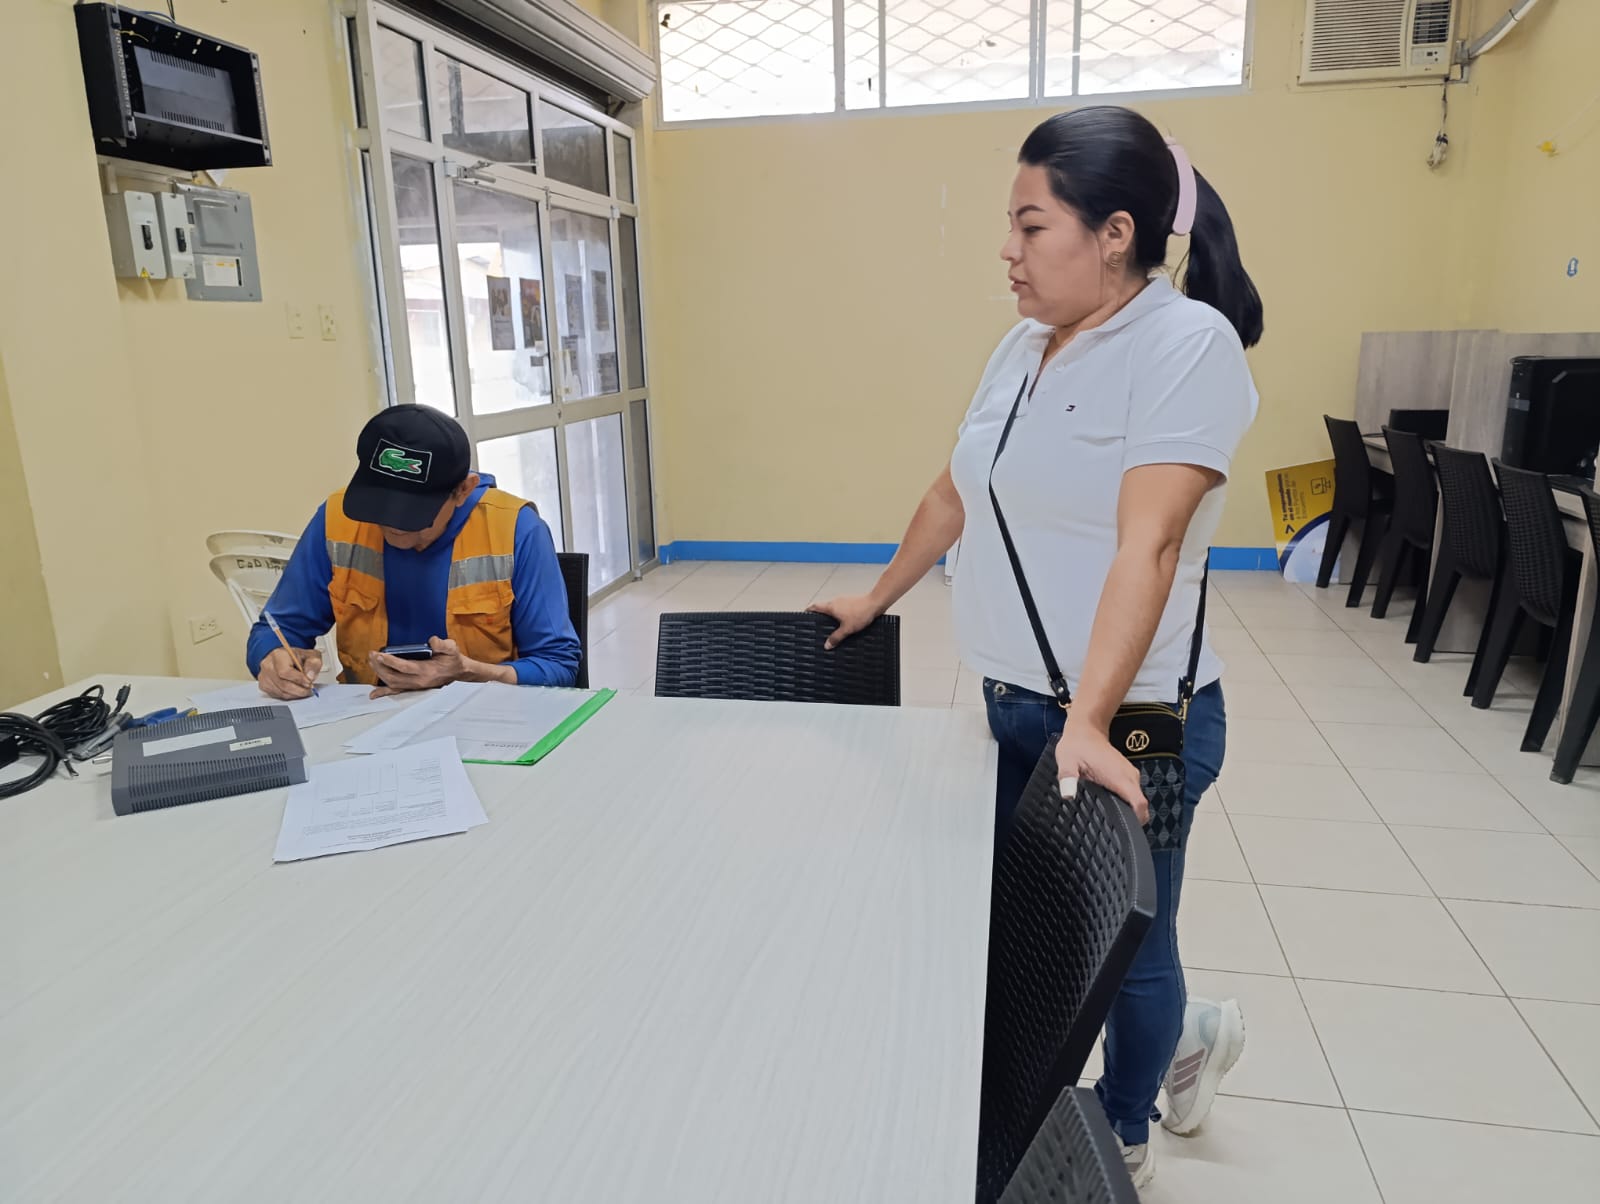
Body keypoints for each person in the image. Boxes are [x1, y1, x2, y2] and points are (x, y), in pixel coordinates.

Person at [811, 106, 1261, 1188]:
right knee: (1038, 922)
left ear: (1114, 233)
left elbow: (1150, 545)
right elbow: (954, 492)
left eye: (1030, 225)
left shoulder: (1184, 345)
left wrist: (1090, 721)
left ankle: (1126, 1127)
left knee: (1126, 943)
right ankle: (1186, 1036)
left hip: (1130, 718)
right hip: (1016, 703)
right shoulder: (1021, 348)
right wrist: (878, 596)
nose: (1006, 252)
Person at [247, 404, 581, 699]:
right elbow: (274, 629)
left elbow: (559, 666)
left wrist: (467, 672)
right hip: (367, 716)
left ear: (463, 490)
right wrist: (273, 659)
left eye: (413, 514)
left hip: (487, 719)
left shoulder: (515, 530)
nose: (393, 523)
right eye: (379, 505)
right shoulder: (337, 520)